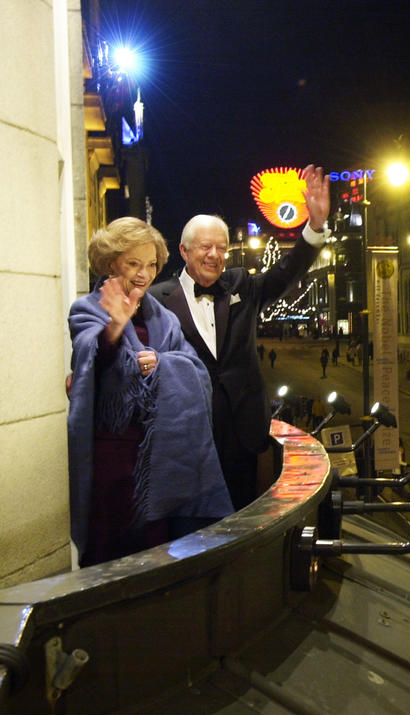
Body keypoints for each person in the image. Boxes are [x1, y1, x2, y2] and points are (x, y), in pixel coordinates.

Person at [149, 164, 329, 509]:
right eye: (205, 247)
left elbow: (285, 274)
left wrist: (314, 227)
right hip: (187, 437)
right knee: (191, 528)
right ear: (184, 251)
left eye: (222, 248)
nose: (215, 255)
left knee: (241, 520)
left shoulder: (241, 285)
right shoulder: (157, 300)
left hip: (242, 435)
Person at [67, 217, 233, 567]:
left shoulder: (164, 318)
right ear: (112, 262)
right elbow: (91, 356)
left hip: (162, 458)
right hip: (113, 459)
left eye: (152, 265)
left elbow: (196, 372)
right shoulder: (86, 308)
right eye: (133, 264)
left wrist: (161, 363)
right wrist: (115, 325)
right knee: (110, 552)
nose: (144, 274)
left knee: (157, 553)